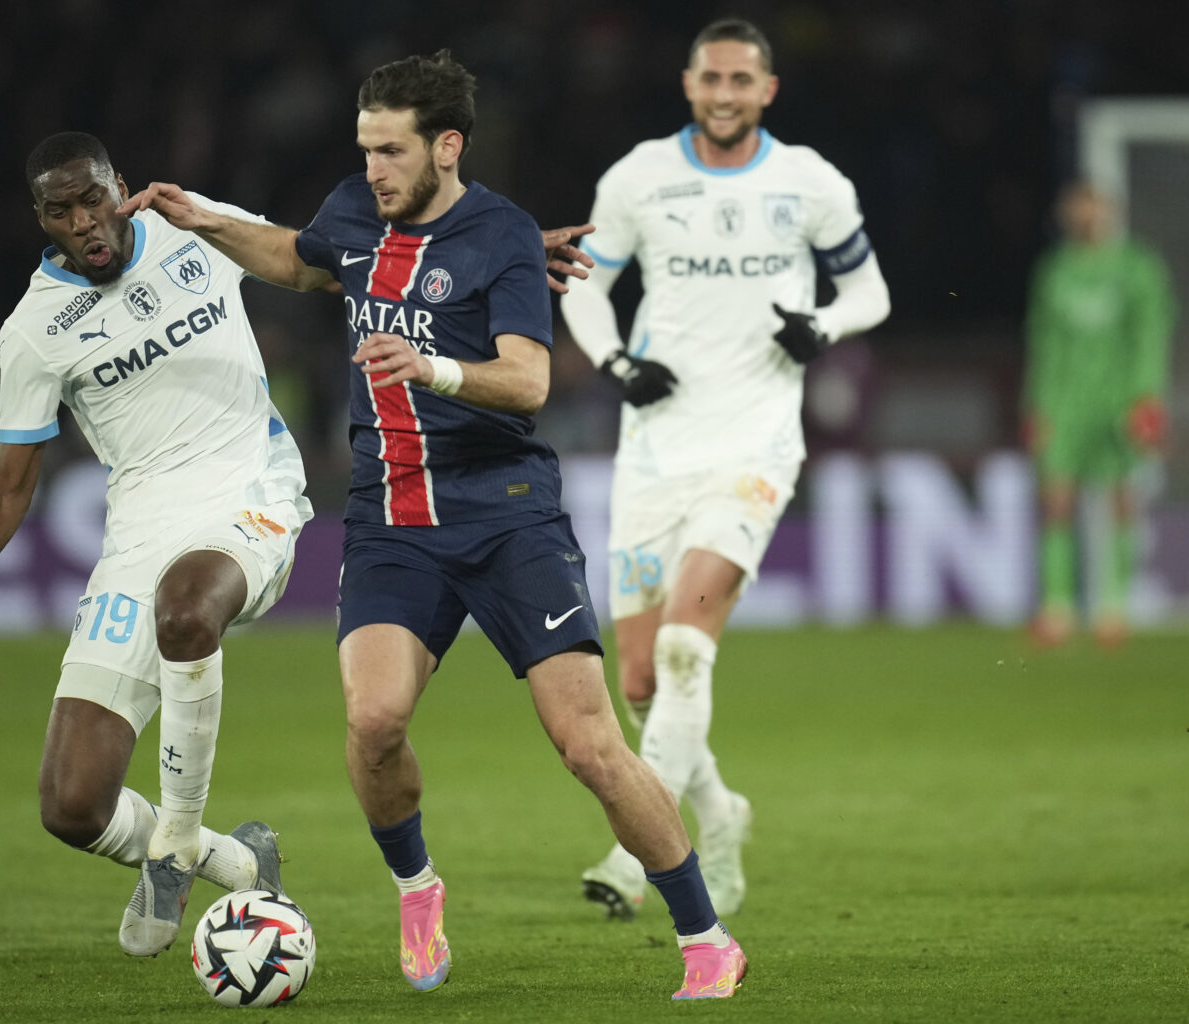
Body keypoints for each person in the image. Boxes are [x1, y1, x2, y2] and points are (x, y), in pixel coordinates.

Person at [118, 50, 747, 1000]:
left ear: (446, 147)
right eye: (366, 148)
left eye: (392, 150)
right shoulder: (352, 214)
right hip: (390, 520)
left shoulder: (502, 240)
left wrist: (430, 367)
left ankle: (705, 936)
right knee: (373, 722)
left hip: (505, 514)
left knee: (587, 745)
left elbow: (528, 381)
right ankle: (418, 890)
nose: (372, 168)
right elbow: (298, 258)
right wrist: (206, 220)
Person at [0, 132, 308, 957]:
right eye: (61, 211)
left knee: (189, 611)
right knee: (72, 804)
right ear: (41, 220)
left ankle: (173, 842)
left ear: (120, 187)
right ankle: (227, 857)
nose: (84, 221)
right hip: (138, 541)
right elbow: (13, 484)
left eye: (93, 199)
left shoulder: (193, 225)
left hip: (250, 499)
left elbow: (305, 262)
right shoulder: (35, 331)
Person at [559, 18, 891, 922]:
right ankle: (721, 810)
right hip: (656, 456)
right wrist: (619, 361)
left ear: (767, 91)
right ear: (689, 84)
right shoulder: (640, 177)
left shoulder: (808, 182)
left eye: (743, 80)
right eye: (713, 78)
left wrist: (822, 324)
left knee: (682, 648)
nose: (727, 93)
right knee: (636, 682)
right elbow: (584, 280)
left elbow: (872, 291)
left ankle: (637, 858)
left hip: (755, 450)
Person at [1024, 181, 1175, 648]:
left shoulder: (1138, 269)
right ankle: (1058, 608)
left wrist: (1147, 399)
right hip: (1065, 403)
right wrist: (1037, 405)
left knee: (1121, 500)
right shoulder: (1055, 271)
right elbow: (1042, 343)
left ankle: (1114, 606)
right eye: (1078, 209)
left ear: (1109, 213)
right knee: (1056, 502)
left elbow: (1152, 337)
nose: (1086, 217)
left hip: (1117, 401)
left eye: (1093, 209)